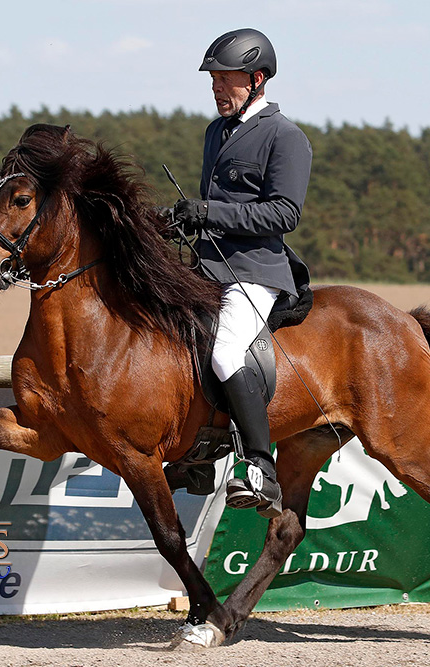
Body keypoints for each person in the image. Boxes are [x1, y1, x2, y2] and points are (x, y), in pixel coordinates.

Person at [172, 28, 313, 518]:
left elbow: (283, 214)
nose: (215, 89)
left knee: (227, 351)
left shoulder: (286, 137)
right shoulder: (216, 132)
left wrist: (208, 212)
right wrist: (180, 220)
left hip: (255, 270)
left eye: (224, 81)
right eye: (212, 80)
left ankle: (260, 468)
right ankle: (199, 456)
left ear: (256, 80)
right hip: (206, 267)